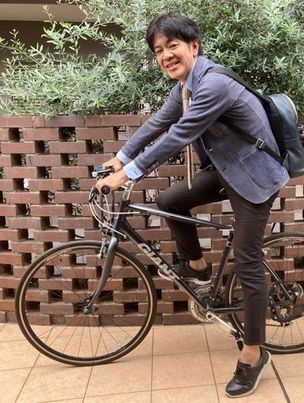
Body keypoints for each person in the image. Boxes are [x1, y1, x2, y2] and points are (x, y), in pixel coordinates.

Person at [96, 12, 289, 398]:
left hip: (255, 177)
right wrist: (120, 157)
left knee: (247, 261)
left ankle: (253, 355)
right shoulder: (185, 87)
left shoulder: (214, 85)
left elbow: (180, 134)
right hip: (227, 169)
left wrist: (128, 174)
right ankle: (199, 269)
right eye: (158, 50)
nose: (165, 55)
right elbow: (157, 124)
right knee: (170, 200)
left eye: (172, 46)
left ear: (193, 47)